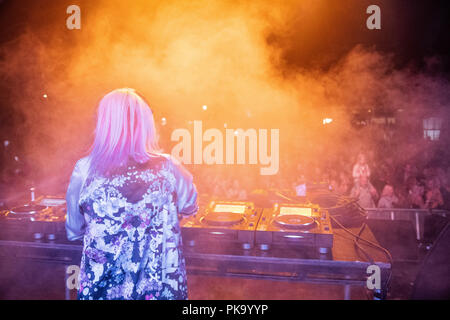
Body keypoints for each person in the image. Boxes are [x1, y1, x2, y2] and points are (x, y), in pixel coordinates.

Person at [65, 88, 198, 300]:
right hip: (159, 292)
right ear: (146, 124)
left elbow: (73, 230)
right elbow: (190, 206)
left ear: (103, 125)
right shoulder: (170, 167)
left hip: (102, 292)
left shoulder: (85, 169)